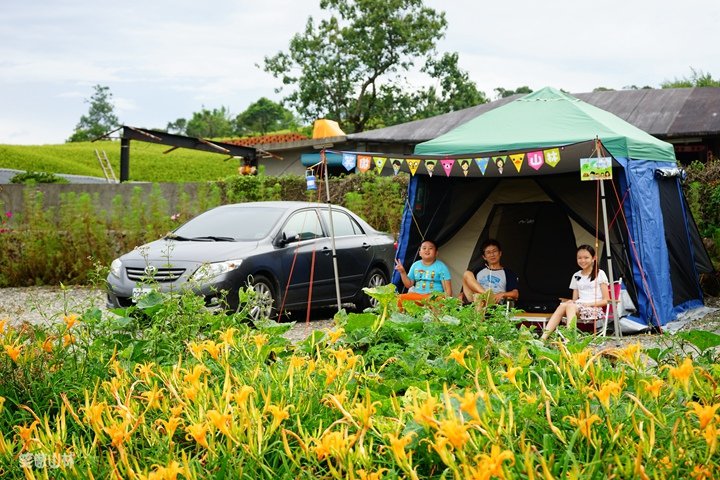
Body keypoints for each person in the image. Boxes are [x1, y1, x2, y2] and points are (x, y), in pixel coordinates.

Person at [540, 244, 609, 341]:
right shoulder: (576, 275)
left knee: (569, 305)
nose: (582, 260)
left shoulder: (600, 273)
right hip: (578, 307)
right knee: (565, 305)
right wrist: (569, 301)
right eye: (579, 258)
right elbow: (575, 300)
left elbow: (606, 300)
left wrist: (587, 304)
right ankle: (543, 339)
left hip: (594, 309)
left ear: (594, 258)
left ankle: (569, 339)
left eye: (586, 257)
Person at [394, 239, 452, 309]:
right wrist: (402, 272)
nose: (427, 250)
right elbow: (408, 284)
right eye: (424, 248)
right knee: (398, 299)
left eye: (430, 248)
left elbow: (447, 290)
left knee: (438, 301)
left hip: (434, 297)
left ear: (436, 253)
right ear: (419, 253)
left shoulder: (441, 267)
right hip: (418, 296)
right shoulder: (415, 265)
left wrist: (447, 304)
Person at [460, 239, 519, 307]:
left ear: (500, 253)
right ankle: (487, 295)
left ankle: (488, 297)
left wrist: (502, 294)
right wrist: (461, 294)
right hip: (475, 300)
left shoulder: (507, 273)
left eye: (494, 251)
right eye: (488, 252)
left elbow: (515, 294)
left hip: (495, 303)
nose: (492, 255)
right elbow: (471, 285)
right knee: (467, 273)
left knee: (479, 296)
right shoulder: (478, 271)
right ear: (484, 257)